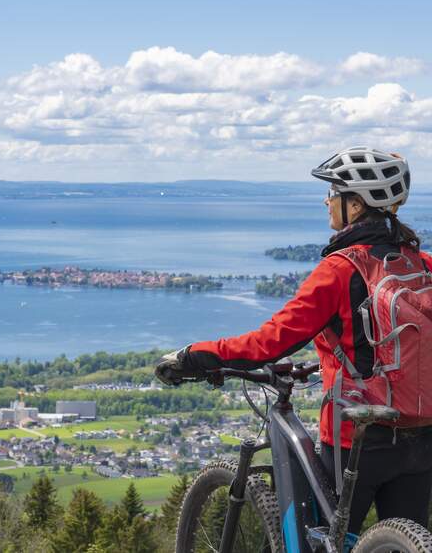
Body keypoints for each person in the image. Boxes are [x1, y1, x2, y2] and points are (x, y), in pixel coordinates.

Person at [155, 146, 432, 535]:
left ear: (356, 206)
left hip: (358, 436)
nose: (326, 200)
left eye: (333, 192)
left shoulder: (340, 269)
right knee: (406, 540)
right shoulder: (421, 264)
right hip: (422, 432)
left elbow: (269, 343)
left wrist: (197, 355)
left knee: (325, 540)